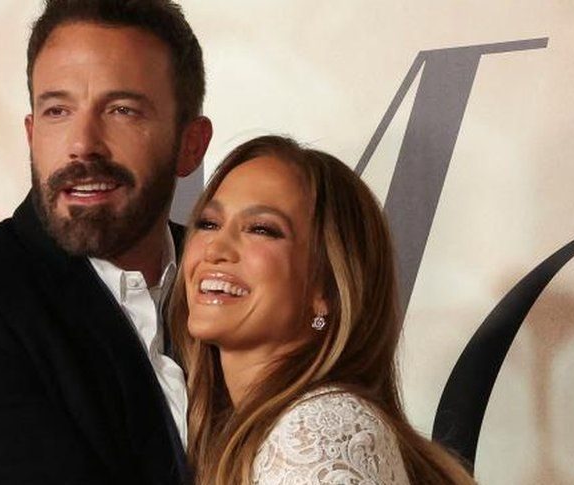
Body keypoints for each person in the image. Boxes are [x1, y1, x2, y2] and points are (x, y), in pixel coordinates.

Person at [0, 0, 213, 483]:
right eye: (58, 111)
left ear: (190, 144)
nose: (83, 144)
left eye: (122, 110)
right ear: (32, 133)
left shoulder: (237, 279)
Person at [168, 135, 475, 484]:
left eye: (261, 229)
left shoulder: (321, 431)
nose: (215, 249)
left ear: (326, 288)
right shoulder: (253, 432)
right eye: (208, 224)